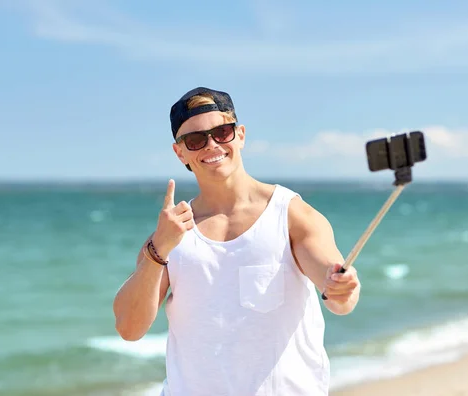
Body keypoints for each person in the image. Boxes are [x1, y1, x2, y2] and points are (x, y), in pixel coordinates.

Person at [113, 87, 361, 396]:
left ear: (240, 135)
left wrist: (342, 287)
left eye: (222, 132)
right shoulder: (172, 232)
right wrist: (158, 249)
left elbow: (337, 292)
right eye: (195, 140)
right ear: (180, 153)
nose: (211, 145)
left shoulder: (290, 213)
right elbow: (129, 328)